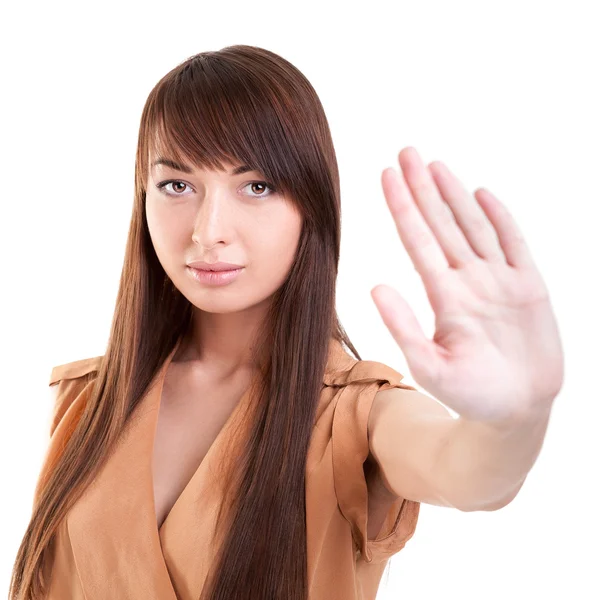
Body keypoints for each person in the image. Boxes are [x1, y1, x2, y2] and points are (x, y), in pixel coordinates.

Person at [9, 44, 563, 600]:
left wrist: (514, 418)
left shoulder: (352, 415)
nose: (209, 231)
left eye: (256, 187)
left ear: (311, 205)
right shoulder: (86, 400)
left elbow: (471, 473)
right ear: (143, 198)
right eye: (177, 185)